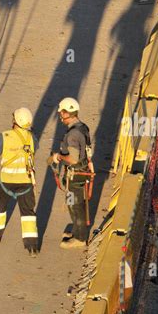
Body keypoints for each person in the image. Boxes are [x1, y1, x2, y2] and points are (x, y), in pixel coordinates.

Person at [0, 107, 39, 257]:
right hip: (26, 182)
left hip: (6, 181)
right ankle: (32, 246)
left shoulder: (5, 136)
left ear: (15, 121)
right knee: (28, 213)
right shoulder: (32, 138)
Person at [50, 97, 93, 249]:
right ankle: (76, 231)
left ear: (66, 113)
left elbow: (73, 159)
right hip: (82, 171)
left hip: (76, 174)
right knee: (72, 204)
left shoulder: (73, 135)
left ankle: (80, 238)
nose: (60, 116)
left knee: (76, 206)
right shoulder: (83, 127)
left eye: (61, 113)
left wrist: (59, 156)